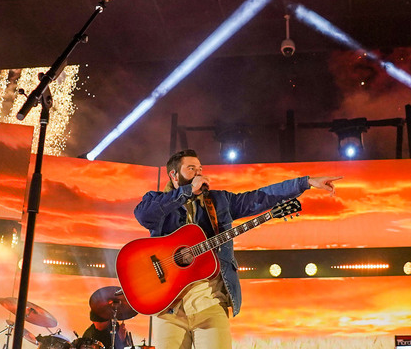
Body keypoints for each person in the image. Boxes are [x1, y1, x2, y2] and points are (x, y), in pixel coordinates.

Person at [133, 149, 341, 349]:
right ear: (174, 174)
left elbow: (260, 197)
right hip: (169, 307)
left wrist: (305, 182)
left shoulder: (219, 201)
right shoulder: (156, 201)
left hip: (210, 302)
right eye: (191, 169)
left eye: (200, 168)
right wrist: (187, 192)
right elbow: (144, 216)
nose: (199, 173)